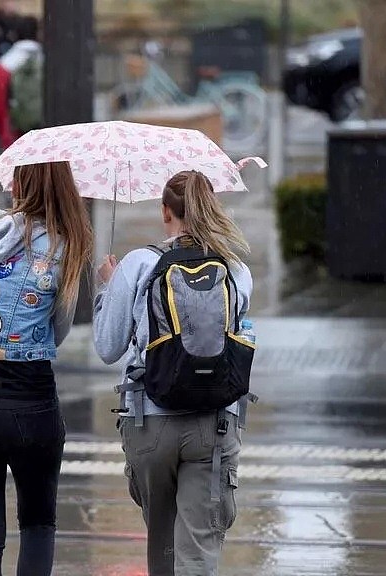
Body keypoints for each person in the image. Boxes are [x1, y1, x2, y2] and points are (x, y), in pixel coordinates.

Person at [92, 171, 254, 576]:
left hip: (150, 420)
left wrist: (108, 289)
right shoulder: (235, 270)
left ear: (165, 211)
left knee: (162, 548)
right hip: (214, 424)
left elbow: (108, 347)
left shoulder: (138, 265)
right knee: (197, 553)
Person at [0, 161, 93, 576]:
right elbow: (58, 331)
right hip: (31, 404)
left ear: (16, 181)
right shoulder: (62, 245)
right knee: (38, 525)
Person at [0, 16, 43, 149]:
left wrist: (5, 133)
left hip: (14, 142)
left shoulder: (4, 66)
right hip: (46, 141)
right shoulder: (48, 62)